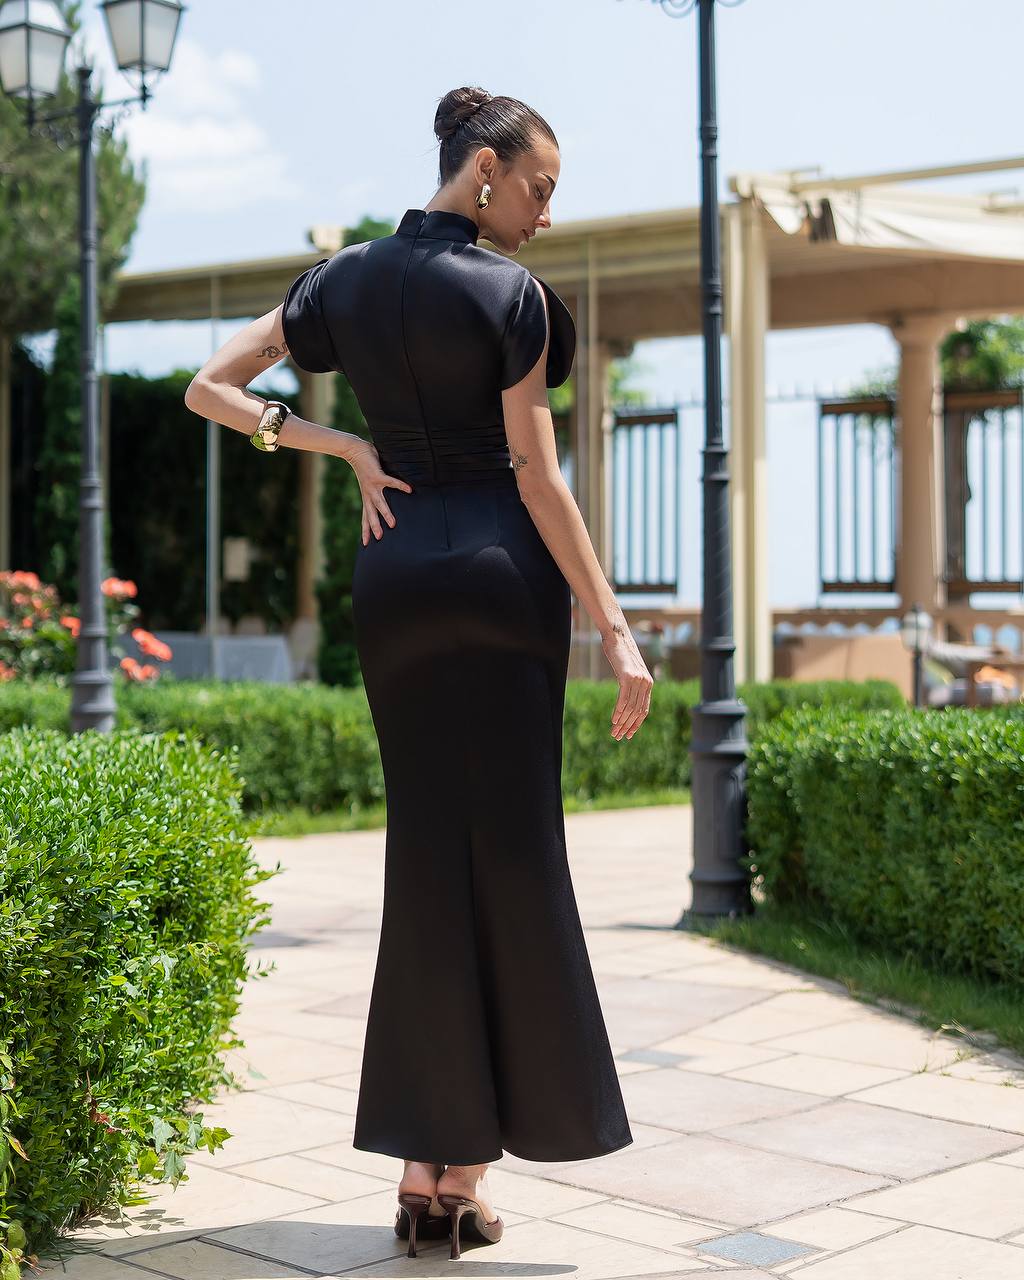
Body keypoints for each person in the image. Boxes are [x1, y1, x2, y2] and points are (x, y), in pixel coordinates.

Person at [184, 84, 653, 1262]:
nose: (546, 214)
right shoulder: (513, 297)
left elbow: (208, 385)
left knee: (425, 860)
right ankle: (467, 1173)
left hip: (393, 579)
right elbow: (537, 476)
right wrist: (614, 626)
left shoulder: (339, 279)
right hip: (500, 583)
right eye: (539, 187)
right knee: (515, 858)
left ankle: (417, 1171)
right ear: (485, 171)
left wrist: (335, 443)